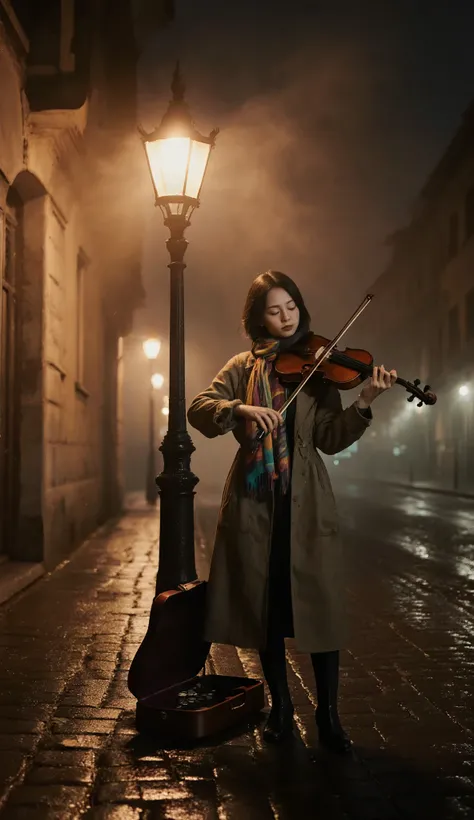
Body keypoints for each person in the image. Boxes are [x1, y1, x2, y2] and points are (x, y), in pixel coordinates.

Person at [187, 270, 396, 751]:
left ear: (301, 309)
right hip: (255, 502)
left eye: (291, 308)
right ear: (257, 317)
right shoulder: (243, 366)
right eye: (274, 310)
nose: (285, 318)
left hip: (305, 500)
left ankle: (329, 716)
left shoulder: (318, 369)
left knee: (318, 609)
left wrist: (364, 400)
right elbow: (202, 406)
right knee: (267, 609)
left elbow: (328, 438)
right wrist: (238, 410)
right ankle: (281, 708)